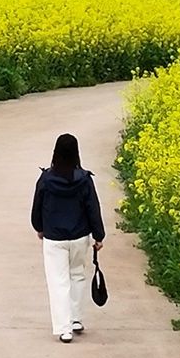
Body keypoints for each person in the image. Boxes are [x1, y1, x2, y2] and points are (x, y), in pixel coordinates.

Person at [30, 133, 105, 344]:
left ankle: (64, 329)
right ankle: (76, 319)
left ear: (55, 152)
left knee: (58, 281)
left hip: (54, 238)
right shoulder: (84, 180)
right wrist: (98, 235)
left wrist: (39, 228)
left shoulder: (46, 179)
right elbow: (93, 208)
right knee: (77, 275)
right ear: (76, 153)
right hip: (80, 236)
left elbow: (37, 207)